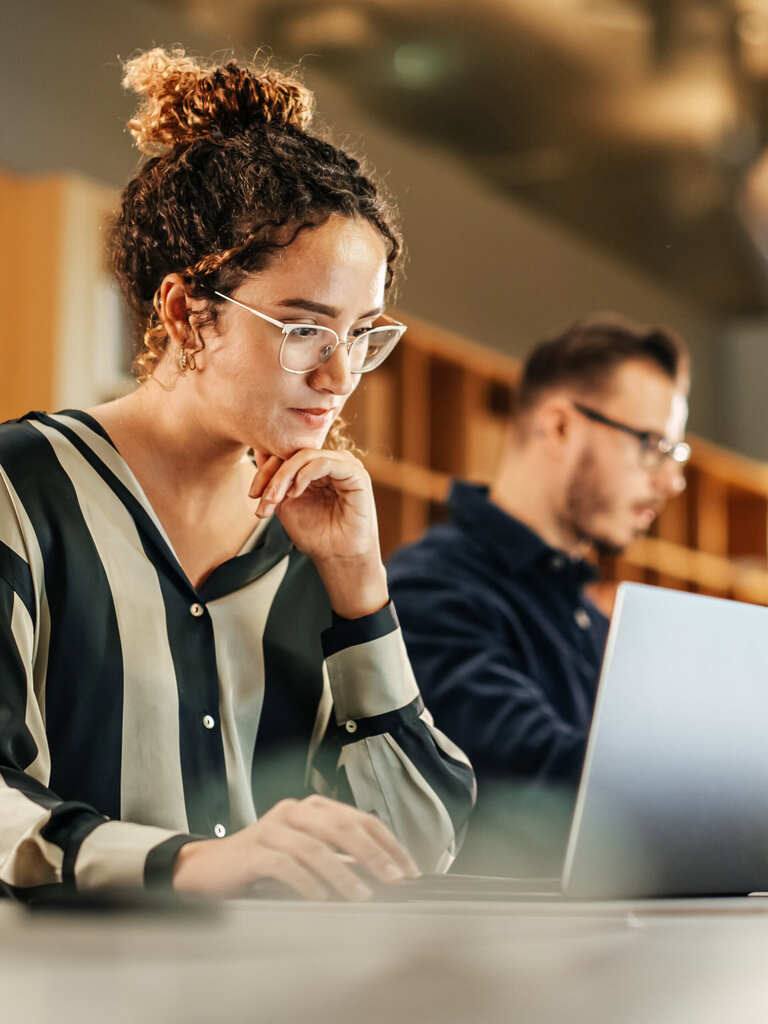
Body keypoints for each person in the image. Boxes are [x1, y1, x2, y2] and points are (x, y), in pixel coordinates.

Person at [0, 48, 475, 903]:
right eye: (303, 329)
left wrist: (359, 585)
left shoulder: (313, 539)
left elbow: (415, 846)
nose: (339, 378)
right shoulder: (22, 490)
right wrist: (185, 863)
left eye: (363, 335)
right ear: (188, 313)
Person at [387, 314, 689, 873]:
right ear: (559, 427)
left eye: (675, 456)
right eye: (652, 445)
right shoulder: (428, 589)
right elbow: (536, 776)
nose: (670, 482)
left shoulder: (592, 623)